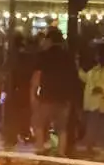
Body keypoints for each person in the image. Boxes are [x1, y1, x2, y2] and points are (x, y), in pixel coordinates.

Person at [29, 27, 76, 155]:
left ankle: (40, 148)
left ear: (49, 40)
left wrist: (33, 94)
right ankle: (61, 154)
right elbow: (73, 77)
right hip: (64, 98)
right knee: (62, 129)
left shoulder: (44, 55)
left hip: (47, 97)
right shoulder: (68, 56)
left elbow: (37, 76)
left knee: (38, 123)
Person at [77, 41, 104, 153]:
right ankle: (92, 147)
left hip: (102, 101)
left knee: (96, 126)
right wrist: (77, 68)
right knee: (94, 126)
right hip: (94, 102)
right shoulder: (97, 68)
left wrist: (101, 88)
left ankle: (93, 148)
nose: (95, 56)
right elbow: (87, 79)